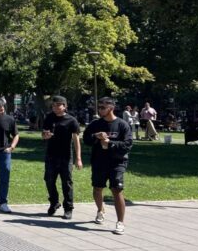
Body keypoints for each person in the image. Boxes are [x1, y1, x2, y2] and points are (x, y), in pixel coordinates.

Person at [83, 97, 133, 235]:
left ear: (111, 108)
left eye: (103, 107)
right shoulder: (95, 124)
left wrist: (109, 143)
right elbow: (86, 139)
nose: (100, 110)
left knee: (116, 189)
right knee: (97, 188)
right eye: (99, 107)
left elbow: (128, 145)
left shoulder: (122, 125)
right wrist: (96, 136)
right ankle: (100, 210)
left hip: (117, 162)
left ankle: (120, 222)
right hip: (99, 161)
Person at [41, 96, 83, 220]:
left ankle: (68, 208)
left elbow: (76, 140)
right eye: (53, 105)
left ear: (64, 106)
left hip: (66, 156)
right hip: (51, 155)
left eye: (58, 105)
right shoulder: (49, 118)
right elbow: (43, 134)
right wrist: (45, 136)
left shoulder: (72, 120)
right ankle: (54, 202)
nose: (55, 107)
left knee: (67, 183)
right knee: (49, 180)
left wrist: (78, 158)